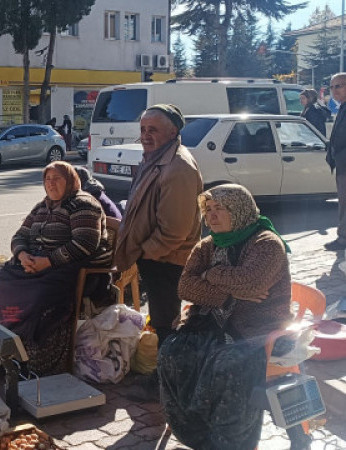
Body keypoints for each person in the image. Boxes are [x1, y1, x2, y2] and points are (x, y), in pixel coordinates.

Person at [159, 184, 292, 450]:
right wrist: (230, 295)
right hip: (209, 324)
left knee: (227, 367)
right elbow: (185, 287)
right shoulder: (207, 245)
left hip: (257, 330)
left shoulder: (267, 243)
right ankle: (195, 433)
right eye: (208, 210)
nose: (211, 216)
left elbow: (252, 282)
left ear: (239, 209)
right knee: (171, 353)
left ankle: (231, 442)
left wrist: (210, 274)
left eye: (220, 209)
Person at [0, 161, 113, 376]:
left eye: (57, 178)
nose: (51, 184)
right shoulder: (43, 205)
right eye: (47, 179)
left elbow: (84, 244)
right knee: (4, 279)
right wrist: (23, 256)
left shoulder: (84, 204)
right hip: (39, 265)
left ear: (70, 180)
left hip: (72, 271)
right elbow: (19, 235)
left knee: (40, 295)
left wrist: (46, 262)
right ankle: (14, 346)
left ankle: (39, 358)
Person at [115, 104, 203, 347]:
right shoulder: (154, 158)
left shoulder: (178, 166)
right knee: (160, 318)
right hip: (155, 258)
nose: (145, 135)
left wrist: (146, 253)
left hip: (166, 260)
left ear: (172, 132)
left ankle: (166, 376)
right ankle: (164, 368)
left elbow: (175, 230)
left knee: (166, 324)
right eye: (143, 129)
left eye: (153, 129)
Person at [325, 72, 346, 251]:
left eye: (338, 86)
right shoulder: (342, 107)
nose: (334, 90)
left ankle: (343, 239)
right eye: (332, 87)